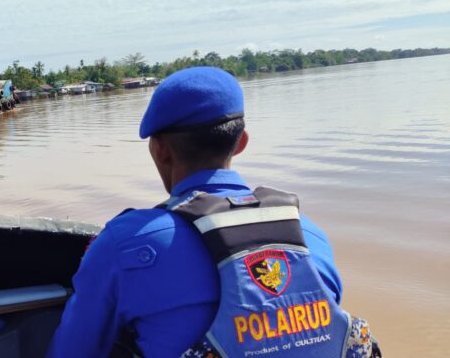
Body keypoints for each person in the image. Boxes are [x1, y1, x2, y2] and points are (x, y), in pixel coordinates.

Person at [48, 67, 377, 357]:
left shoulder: (125, 244)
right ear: (241, 142)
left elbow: (74, 351)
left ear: (160, 150)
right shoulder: (308, 235)